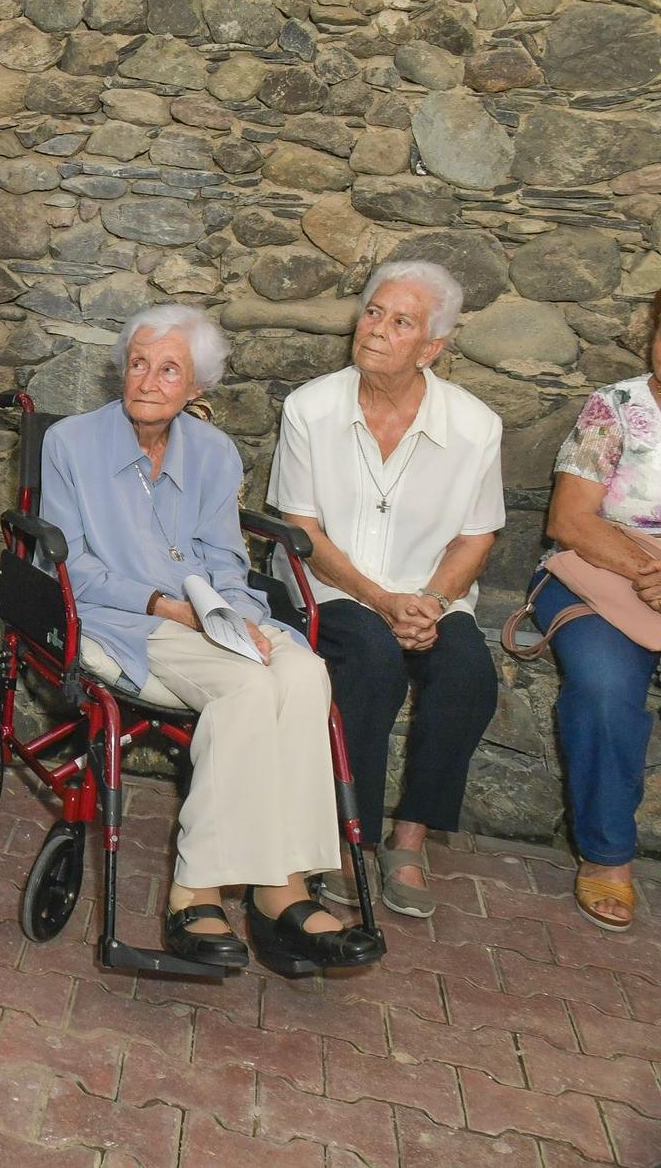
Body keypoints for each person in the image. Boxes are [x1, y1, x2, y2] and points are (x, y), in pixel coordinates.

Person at [39, 305, 383, 976]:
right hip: (125, 619)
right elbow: (71, 567)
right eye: (138, 364)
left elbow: (226, 559)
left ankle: (283, 885)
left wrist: (237, 613)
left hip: (207, 614)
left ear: (197, 388)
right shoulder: (71, 444)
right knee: (249, 687)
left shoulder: (215, 454)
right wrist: (168, 605)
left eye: (168, 370)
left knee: (307, 672)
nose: (146, 381)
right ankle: (196, 891)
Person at [269, 262, 503, 919]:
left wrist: (429, 601)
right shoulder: (311, 408)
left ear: (433, 348)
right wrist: (381, 599)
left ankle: (409, 840)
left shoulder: (476, 426)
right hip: (327, 586)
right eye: (373, 312)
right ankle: (349, 842)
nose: (375, 330)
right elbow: (302, 530)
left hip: (429, 593)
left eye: (401, 322)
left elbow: (476, 538)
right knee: (371, 661)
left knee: (466, 674)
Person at [534, 289, 661, 931]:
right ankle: (608, 854)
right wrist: (647, 571)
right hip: (602, 576)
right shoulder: (616, 409)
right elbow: (570, 519)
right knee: (606, 686)